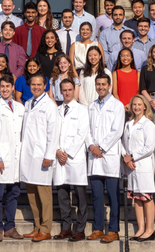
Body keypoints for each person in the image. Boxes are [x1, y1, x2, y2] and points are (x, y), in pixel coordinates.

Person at [19, 74, 61, 242]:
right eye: (33, 84)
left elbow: (53, 132)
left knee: (44, 195)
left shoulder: (50, 106)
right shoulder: (28, 103)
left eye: (39, 84)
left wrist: (49, 155)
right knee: (32, 194)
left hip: (42, 156)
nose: (35, 87)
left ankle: (45, 228)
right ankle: (37, 226)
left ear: (45, 86)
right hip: (29, 155)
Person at [85, 74, 124, 243]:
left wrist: (101, 148)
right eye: (98, 84)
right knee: (97, 195)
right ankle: (98, 228)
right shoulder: (91, 106)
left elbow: (117, 131)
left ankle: (113, 229)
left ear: (109, 86)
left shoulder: (118, 105)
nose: (100, 87)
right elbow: (86, 128)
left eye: (103, 84)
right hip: (94, 156)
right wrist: (91, 146)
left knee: (114, 196)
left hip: (109, 156)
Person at [0, 75, 26, 241]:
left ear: (12, 87)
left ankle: (10, 226)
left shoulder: (20, 108)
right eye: (1, 86)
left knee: (14, 194)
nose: (4, 89)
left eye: (7, 86)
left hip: (16, 159)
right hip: (2, 159)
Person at [52, 78, 90, 241]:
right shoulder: (57, 110)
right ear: (60, 92)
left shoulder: (82, 110)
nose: (67, 93)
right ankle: (66, 227)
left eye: (70, 90)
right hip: (60, 158)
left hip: (74, 158)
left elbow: (82, 133)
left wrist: (67, 152)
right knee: (62, 195)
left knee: (80, 196)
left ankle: (80, 229)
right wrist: (58, 151)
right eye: (64, 90)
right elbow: (53, 133)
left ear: (74, 91)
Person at [122, 95, 155, 242]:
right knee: (137, 199)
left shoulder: (148, 124)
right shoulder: (128, 124)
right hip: (131, 167)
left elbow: (149, 147)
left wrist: (132, 156)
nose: (136, 107)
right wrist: (126, 157)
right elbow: (124, 144)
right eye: (134, 105)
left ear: (145, 106)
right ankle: (141, 228)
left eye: (139, 104)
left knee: (146, 197)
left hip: (143, 166)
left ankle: (150, 229)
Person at [99, 5, 134, 71]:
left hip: (129, 66)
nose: (118, 17)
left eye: (120, 15)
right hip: (111, 67)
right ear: (112, 16)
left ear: (124, 16)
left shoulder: (131, 32)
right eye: (115, 15)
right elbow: (104, 52)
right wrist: (112, 63)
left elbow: (133, 50)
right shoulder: (104, 33)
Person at [112, 48, 139, 112]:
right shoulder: (115, 73)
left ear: (132, 58)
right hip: (120, 107)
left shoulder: (137, 73)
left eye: (128, 55)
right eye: (123, 56)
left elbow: (139, 92)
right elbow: (115, 92)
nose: (125, 58)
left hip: (134, 107)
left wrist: (131, 104)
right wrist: (121, 106)